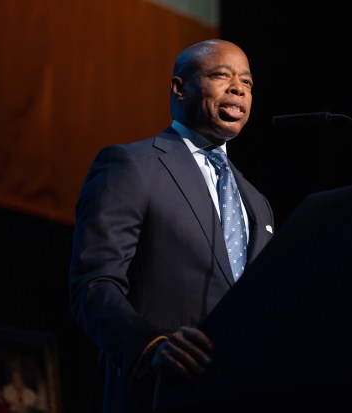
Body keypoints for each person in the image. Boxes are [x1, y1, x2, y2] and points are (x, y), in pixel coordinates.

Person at [68, 39, 274, 413]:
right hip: (159, 391)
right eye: (220, 75)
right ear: (179, 88)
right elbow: (94, 285)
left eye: (247, 82)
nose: (238, 88)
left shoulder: (257, 202)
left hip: (242, 390)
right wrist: (151, 347)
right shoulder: (132, 165)